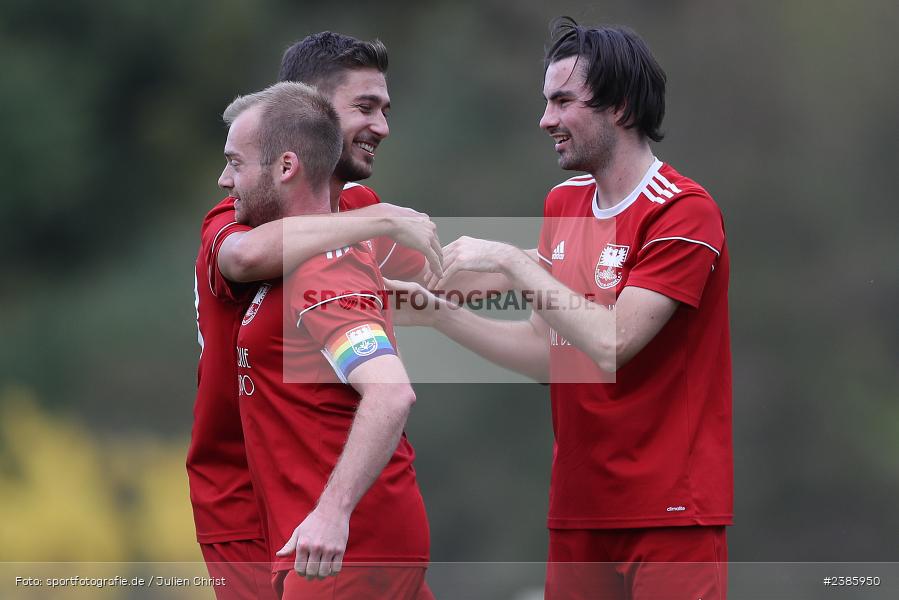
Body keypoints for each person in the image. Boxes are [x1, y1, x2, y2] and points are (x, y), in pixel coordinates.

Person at [391, 18, 732, 599]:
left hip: (670, 512)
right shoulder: (564, 202)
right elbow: (549, 354)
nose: (545, 119)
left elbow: (612, 342)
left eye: (562, 101)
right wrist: (438, 314)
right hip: (579, 510)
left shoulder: (682, 211)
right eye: (546, 101)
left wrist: (510, 259)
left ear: (620, 107)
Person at [189, 32, 439, 599]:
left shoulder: (353, 221)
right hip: (244, 501)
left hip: (331, 513)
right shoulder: (241, 215)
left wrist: (545, 271)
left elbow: (440, 278)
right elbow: (243, 258)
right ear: (308, 111)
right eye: (365, 107)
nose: (381, 126)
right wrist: (381, 224)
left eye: (384, 109)